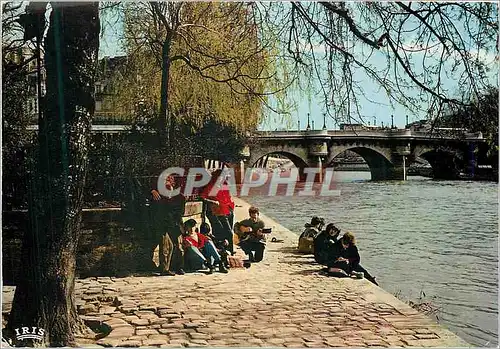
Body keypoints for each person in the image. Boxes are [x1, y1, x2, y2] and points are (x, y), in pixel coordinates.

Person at [150, 174, 185, 276]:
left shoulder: (179, 197)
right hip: (164, 224)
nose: (167, 182)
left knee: (179, 247)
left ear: (173, 182)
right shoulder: (159, 195)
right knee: (166, 247)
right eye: (165, 180)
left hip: (175, 224)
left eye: (169, 179)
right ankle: (165, 269)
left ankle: (179, 267)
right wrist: (152, 191)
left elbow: (180, 213)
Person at [200, 169, 235, 255]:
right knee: (226, 232)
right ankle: (226, 250)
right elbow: (202, 197)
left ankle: (228, 249)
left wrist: (231, 207)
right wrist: (213, 202)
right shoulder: (211, 186)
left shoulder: (225, 185)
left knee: (229, 231)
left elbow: (229, 197)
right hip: (218, 212)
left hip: (228, 211)